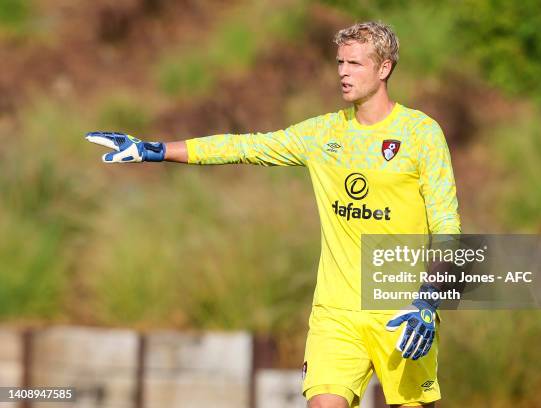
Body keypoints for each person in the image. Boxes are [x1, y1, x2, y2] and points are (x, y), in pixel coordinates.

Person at [86, 21, 460, 408]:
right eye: (339, 62)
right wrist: (158, 149)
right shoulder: (323, 134)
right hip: (336, 312)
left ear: (384, 68)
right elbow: (246, 146)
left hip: (402, 310)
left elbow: (447, 225)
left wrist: (428, 301)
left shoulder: (421, 134)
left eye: (355, 63)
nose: (343, 73)